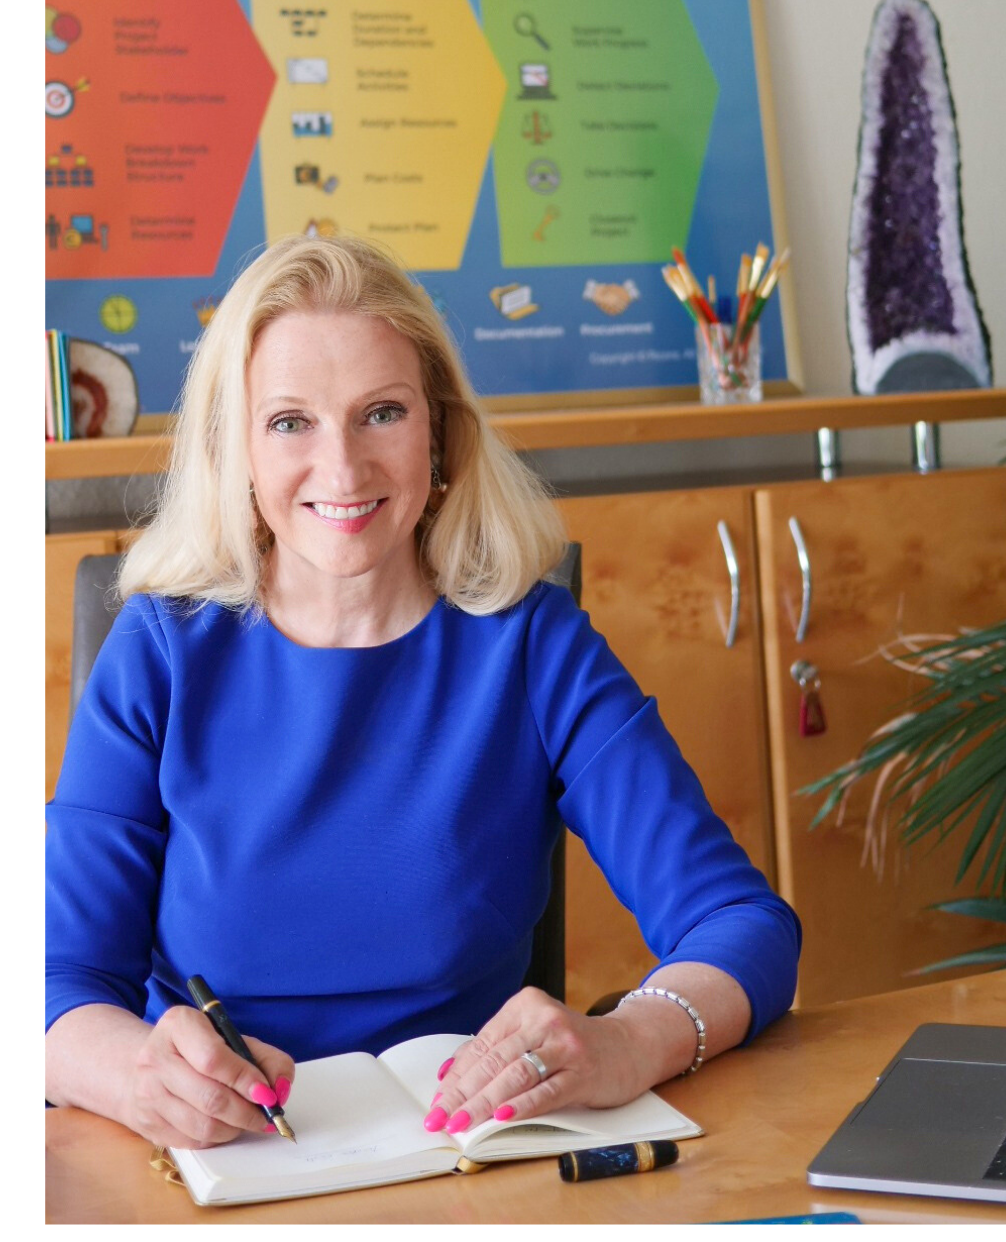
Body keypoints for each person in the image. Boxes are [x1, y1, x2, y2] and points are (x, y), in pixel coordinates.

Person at [45, 233, 801, 1151]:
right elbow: (55, 987)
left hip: (462, 1161)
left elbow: (742, 923)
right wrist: (140, 1078)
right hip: (220, 1163)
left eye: (383, 413)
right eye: (290, 422)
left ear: (439, 433)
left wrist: (632, 1039)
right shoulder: (160, 652)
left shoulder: (533, 646)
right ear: (234, 447)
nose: (343, 469)